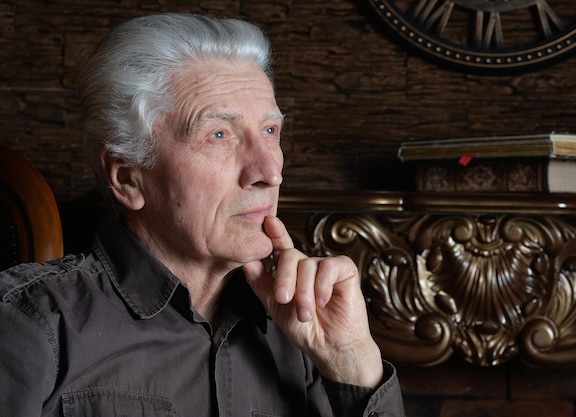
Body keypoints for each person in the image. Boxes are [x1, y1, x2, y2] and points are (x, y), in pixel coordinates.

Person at [0, 13, 405, 417]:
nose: (270, 172)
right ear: (128, 178)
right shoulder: (26, 324)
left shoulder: (304, 331)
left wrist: (352, 362)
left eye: (269, 131)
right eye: (219, 135)